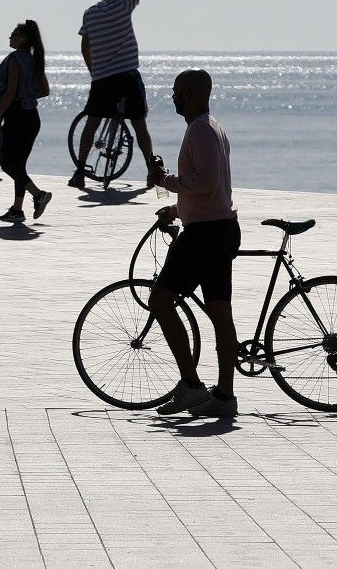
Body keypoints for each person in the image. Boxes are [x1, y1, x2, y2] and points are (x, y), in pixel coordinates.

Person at [147, 70, 240, 417]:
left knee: (159, 301)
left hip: (204, 235)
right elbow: (214, 189)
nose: (173, 97)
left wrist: (168, 182)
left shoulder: (200, 129)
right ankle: (225, 397)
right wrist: (176, 208)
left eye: (176, 91)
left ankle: (191, 386)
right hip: (220, 228)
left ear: (189, 93)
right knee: (220, 314)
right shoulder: (211, 126)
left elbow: (207, 180)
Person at [69, 0, 155, 189]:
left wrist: (93, 71)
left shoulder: (90, 12)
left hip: (102, 78)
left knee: (92, 123)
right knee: (139, 124)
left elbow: (85, 45)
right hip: (126, 74)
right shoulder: (124, 3)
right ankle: (151, 170)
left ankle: (79, 170)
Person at [0, 21, 52, 223]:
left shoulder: (15, 59)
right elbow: (45, 91)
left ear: (22, 38)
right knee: (19, 166)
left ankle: (39, 194)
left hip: (16, 117)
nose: (10, 37)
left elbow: (9, 92)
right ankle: (17, 209)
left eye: (13, 34)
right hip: (31, 117)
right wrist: (28, 96)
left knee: (7, 164)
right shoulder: (33, 60)